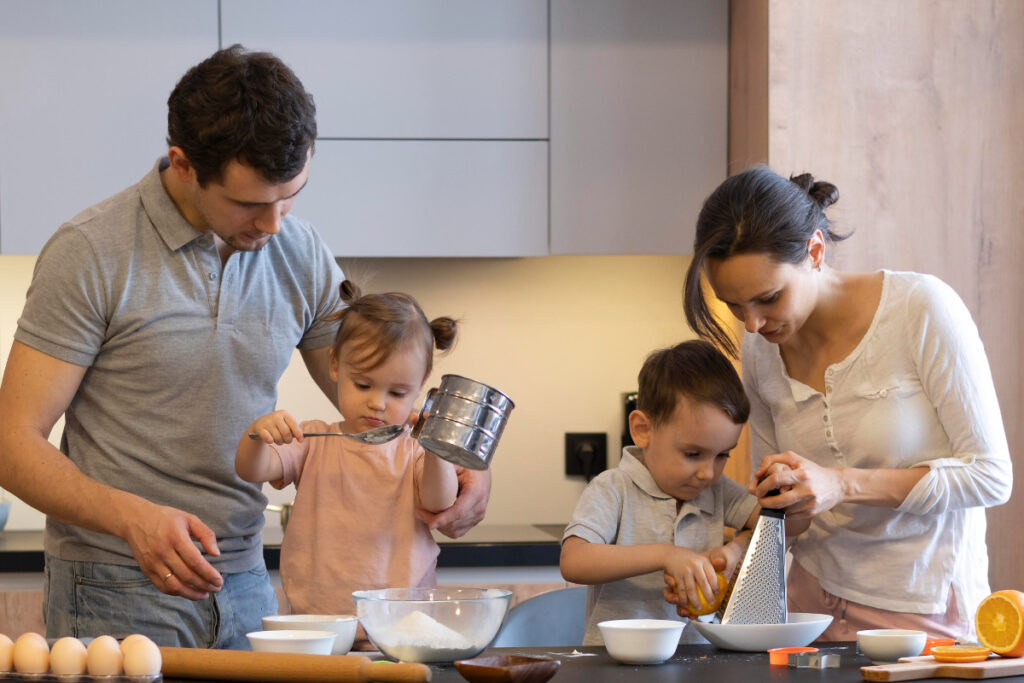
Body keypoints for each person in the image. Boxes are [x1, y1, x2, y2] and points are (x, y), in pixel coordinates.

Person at [0, 45, 489, 649]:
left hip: (251, 584)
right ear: (182, 164)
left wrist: (461, 465)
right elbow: (11, 443)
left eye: (292, 195)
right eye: (251, 203)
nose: (276, 224)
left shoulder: (297, 250)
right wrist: (133, 519)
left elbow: (375, 389)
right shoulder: (91, 252)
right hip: (115, 583)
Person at [682, 166, 1012, 640]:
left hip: (920, 608)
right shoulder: (759, 352)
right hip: (807, 610)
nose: (752, 325)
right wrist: (738, 552)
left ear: (815, 251)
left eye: (768, 299)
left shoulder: (921, 309)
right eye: (734, 306)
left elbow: (991, 476)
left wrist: (842, 484)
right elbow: (784, 505)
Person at [236, 280, 459, 644]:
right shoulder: (311, 441)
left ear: (420, 386)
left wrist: (436, 448)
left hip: (403, 626)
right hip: (317, 626)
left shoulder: (415, 451)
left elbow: (440, 501)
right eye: (364, 385)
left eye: (398, 392)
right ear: (336, 366)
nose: (378, 403)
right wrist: (257, 434)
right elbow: (251, 470)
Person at [560, 340, 808, 645]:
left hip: (700, 662)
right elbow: (574, 562)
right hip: (618, 664)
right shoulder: (612, 489)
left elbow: (790, 524)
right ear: (642, 430)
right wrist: (666, 556)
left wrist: (735, 551)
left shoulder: (716, 490)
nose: (708, 472)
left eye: (722, 455)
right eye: (693, 453)